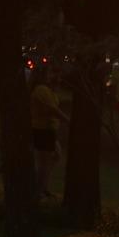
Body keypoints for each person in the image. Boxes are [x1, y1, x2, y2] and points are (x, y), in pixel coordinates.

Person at [30, 67, 70, 199]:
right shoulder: (41, 89)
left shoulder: (48, 90)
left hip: (48, 130)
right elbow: (52, 109)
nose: (52, 76)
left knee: (55, 156)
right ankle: (38, 191)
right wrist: (68, 121)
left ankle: (43, 187)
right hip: (42, 130)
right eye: (49, 74)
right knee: (44, 162)